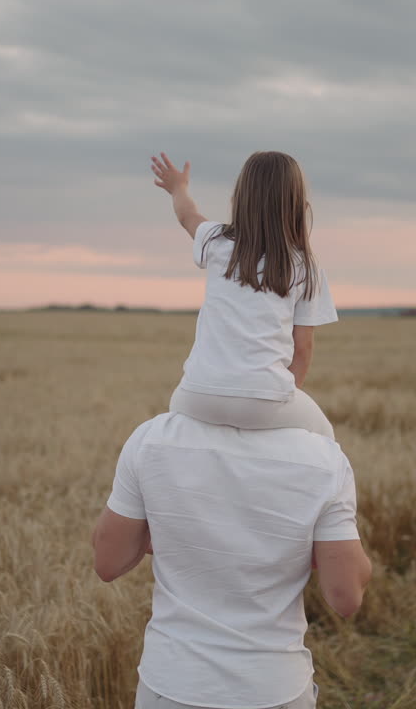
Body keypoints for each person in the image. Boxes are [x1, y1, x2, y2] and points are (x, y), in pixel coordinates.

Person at [91, 411, 373, 708]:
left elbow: (108, 562)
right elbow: (346, 596)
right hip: (274, 687)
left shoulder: (151, 438)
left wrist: (178, 537)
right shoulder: (324, 458)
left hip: (173, 683)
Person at [150, 151, 338, 439]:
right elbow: (303, 350)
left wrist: (178, 188)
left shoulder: (215, 240)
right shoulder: (305, 266)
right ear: (297, 204)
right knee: (325, 436)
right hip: (263, 401)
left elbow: (186, 214)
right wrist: (279, 401)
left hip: (194, 395)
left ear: (240, 197)